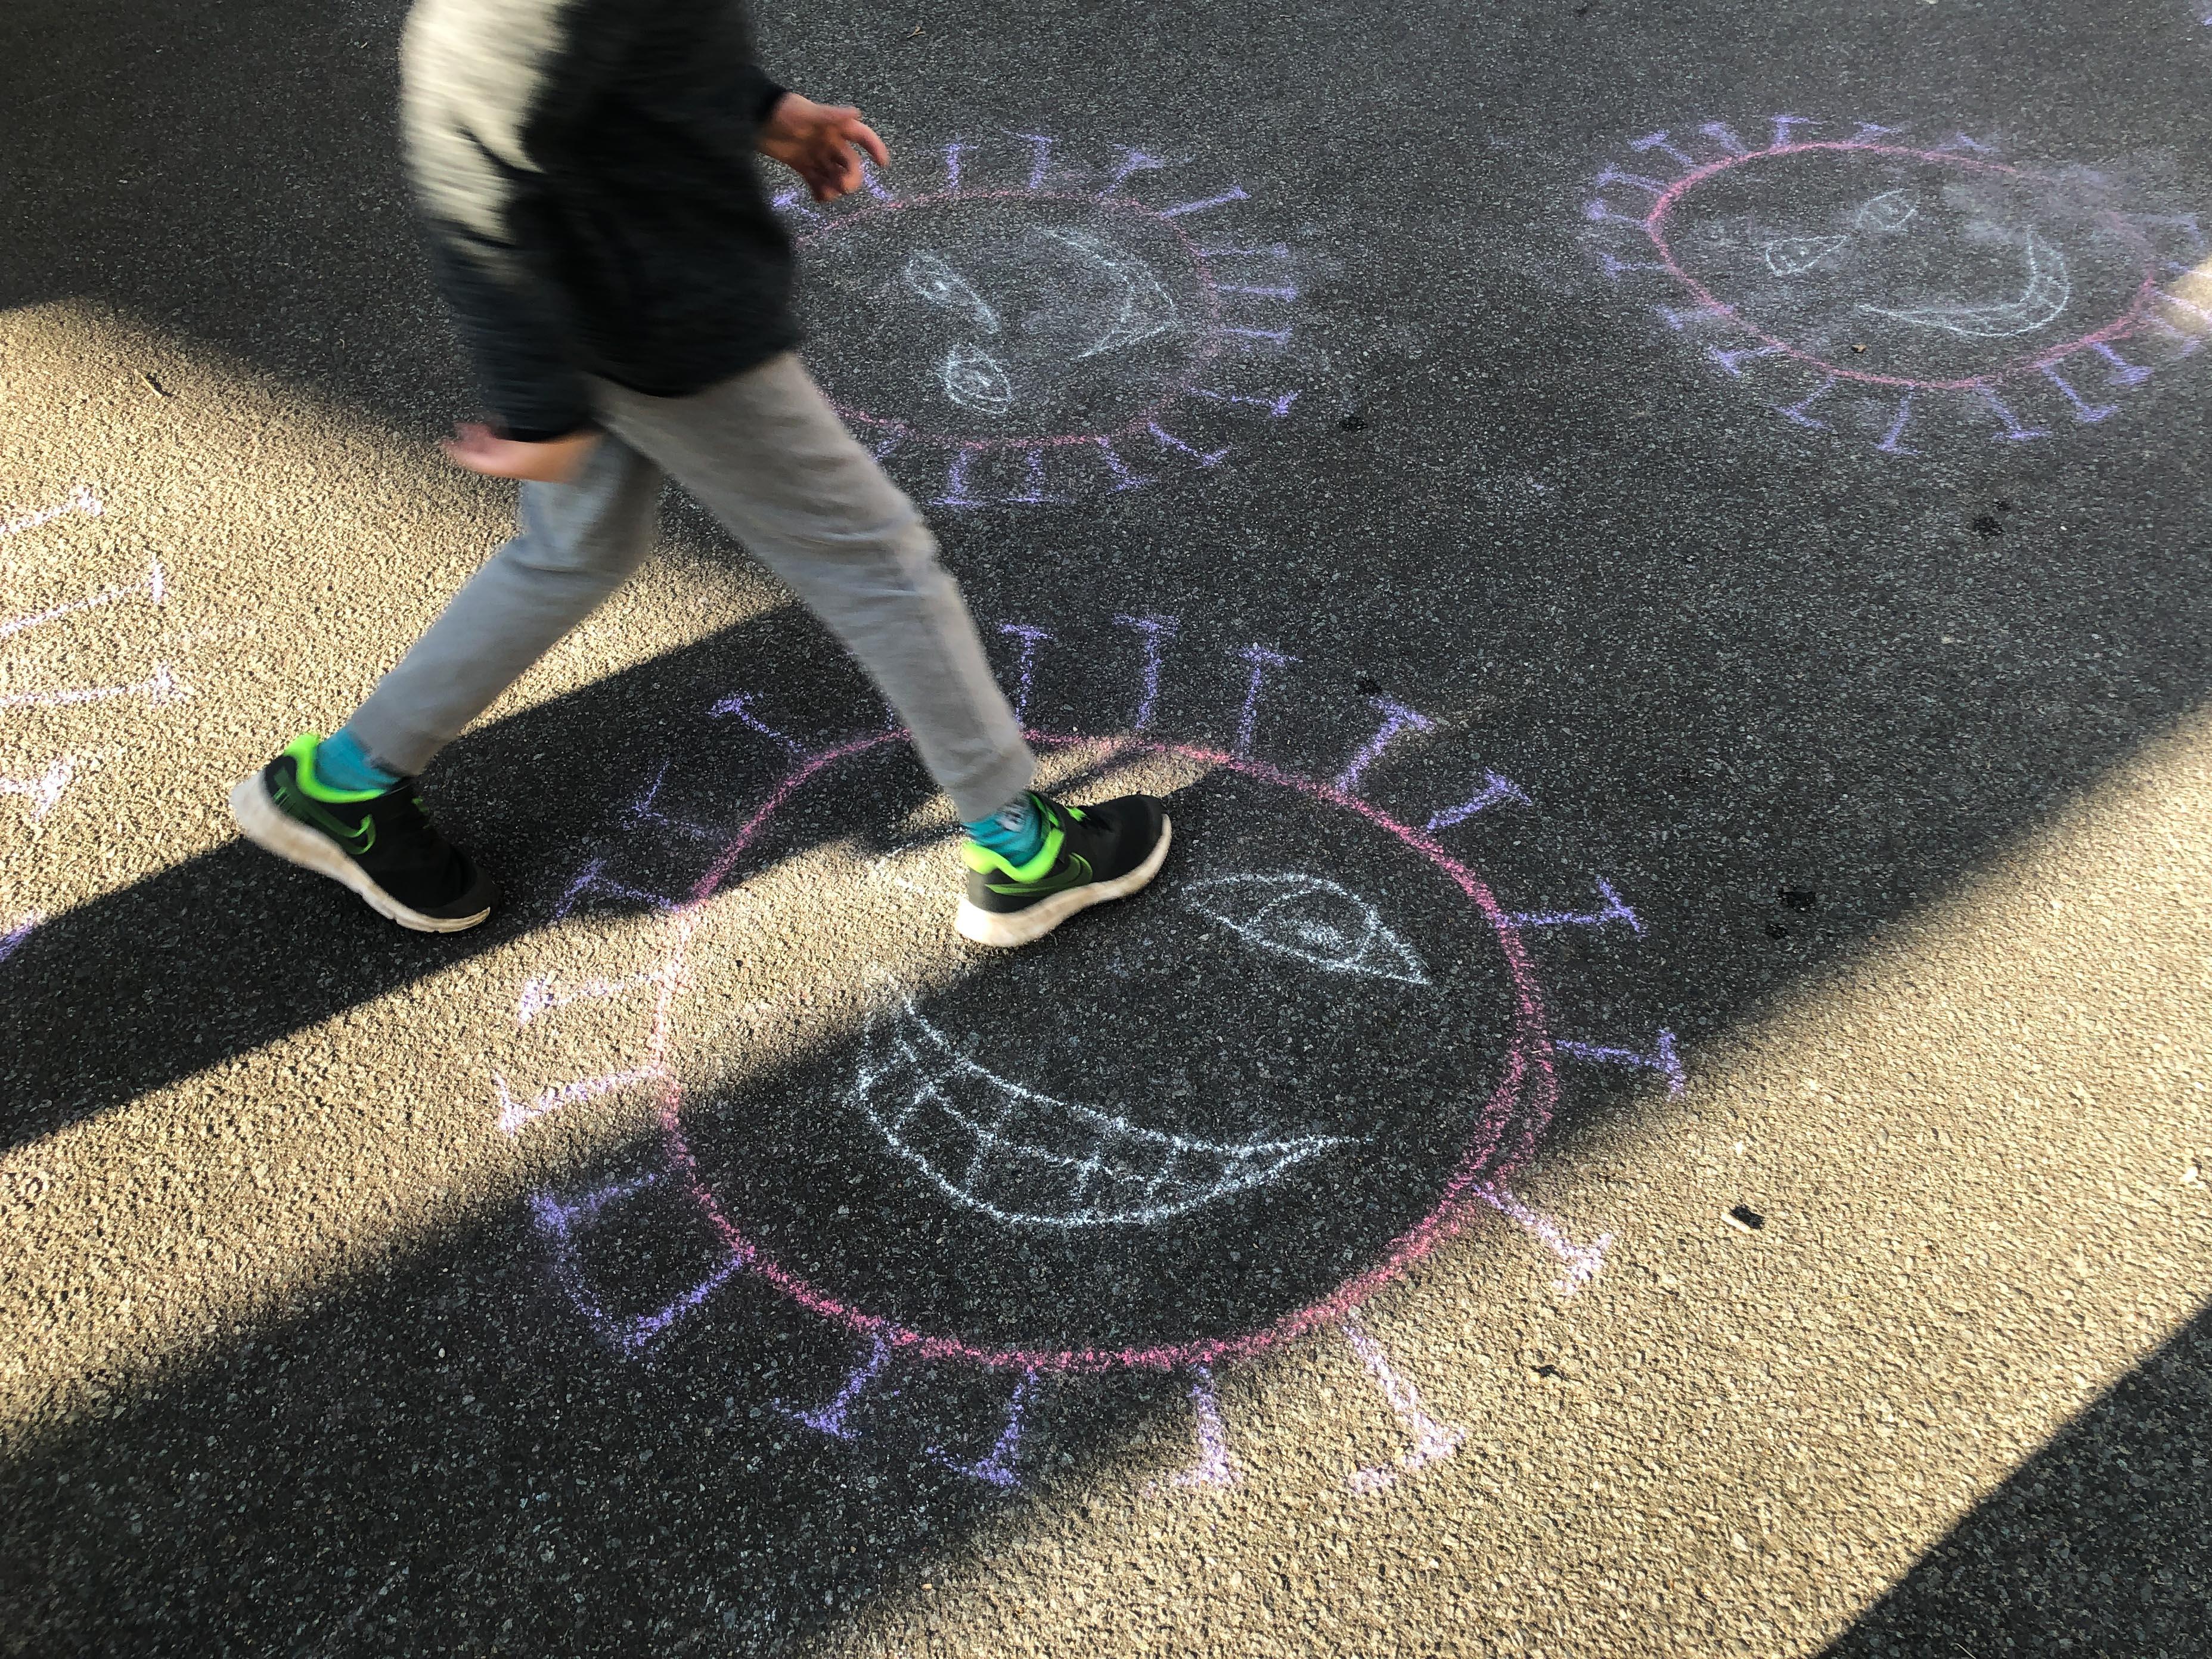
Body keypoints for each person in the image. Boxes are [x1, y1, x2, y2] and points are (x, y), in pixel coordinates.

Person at [228, 0, 1170, 948]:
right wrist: (543, 411)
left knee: (573, 551)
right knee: (877, 562)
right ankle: (1023, 849)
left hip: (633, 295)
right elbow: (471, 171)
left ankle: (343, 785)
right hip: (662, 330)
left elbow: (636, 50)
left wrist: (767, 112)